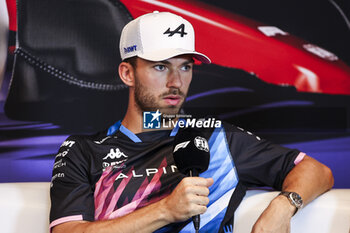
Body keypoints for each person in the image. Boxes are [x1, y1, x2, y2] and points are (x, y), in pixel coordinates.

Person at [49, 11, 334, 233]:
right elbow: (68, 230)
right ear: (127, 74)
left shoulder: (217, 137)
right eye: (160, 67)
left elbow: (316, 171)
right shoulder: (83, 150)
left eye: (185, 66)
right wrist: (166, 210)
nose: (176, 82)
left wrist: (284, 207)